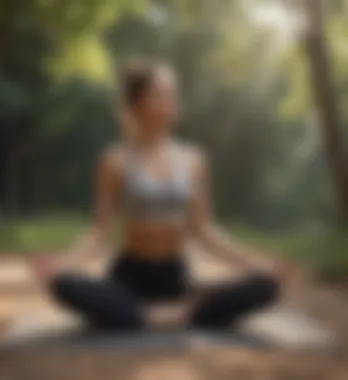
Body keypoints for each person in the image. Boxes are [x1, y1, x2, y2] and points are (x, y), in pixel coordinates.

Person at [30, 59, 293, 332]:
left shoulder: (194, 160)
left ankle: (151, 314)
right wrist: (62, 264)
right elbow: (99, 233)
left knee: (267, 286)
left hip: (175, 276)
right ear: (137, 102)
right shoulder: (114, 161)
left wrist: (259, 264)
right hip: (129, 278)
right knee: (63, 285)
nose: (170, 99)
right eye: (160, 93)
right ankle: (166, 314)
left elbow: (205, 231)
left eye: (172, 93)